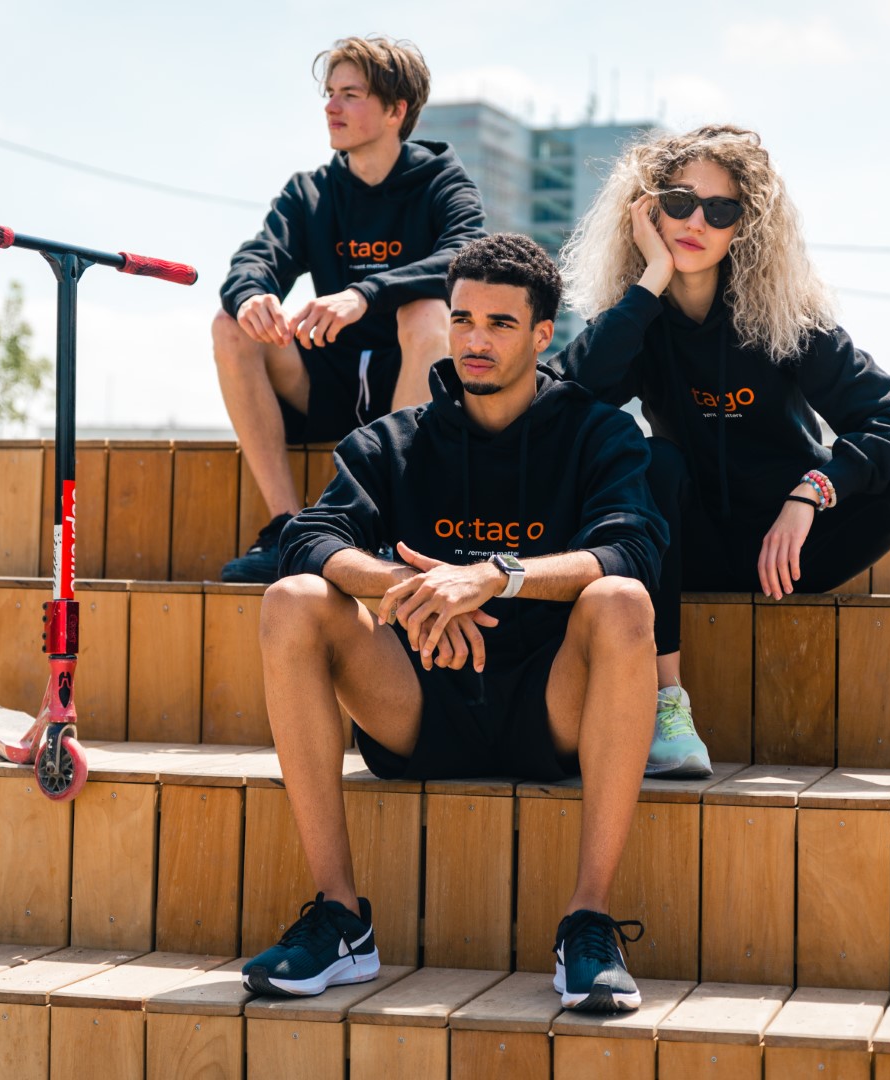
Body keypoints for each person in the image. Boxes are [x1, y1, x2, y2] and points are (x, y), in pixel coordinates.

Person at [242, 234, 666, 1011]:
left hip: (549, 707)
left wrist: (496, 578)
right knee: (293, 598)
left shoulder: (597, 432)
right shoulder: (396, 440)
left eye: (500, 324)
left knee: (623, 601)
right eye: (463, 319)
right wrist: (406, 585)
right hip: (418, 700)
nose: (475, 339)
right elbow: (309, 537)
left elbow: (632, 548)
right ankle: (341, 917)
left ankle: (588, 920)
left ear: (543, 335)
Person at [553, 125, 890, 791]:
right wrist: (649, 283)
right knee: (656, 462)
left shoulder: (781, 317)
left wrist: (814, 490)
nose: (696, 222)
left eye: (720, 210)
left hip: (795, 550)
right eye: (678, 202)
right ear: (646, 211)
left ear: (744, 227)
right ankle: (666, 708)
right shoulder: (638, 322)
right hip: (690, 548)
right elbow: (562, 405)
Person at [215, 35, 487, 582]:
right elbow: (256, 258)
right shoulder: (310, 192)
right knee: (232, 324)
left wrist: (367, 293)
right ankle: (287, 529)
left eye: (350, 94)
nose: (331, 107)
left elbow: (466, 256)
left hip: (410, 389)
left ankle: (389, 526)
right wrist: (253, 295)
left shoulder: (440, 179)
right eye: (330, 93)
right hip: (329, 382)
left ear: (395, 111)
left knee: (426, 312)